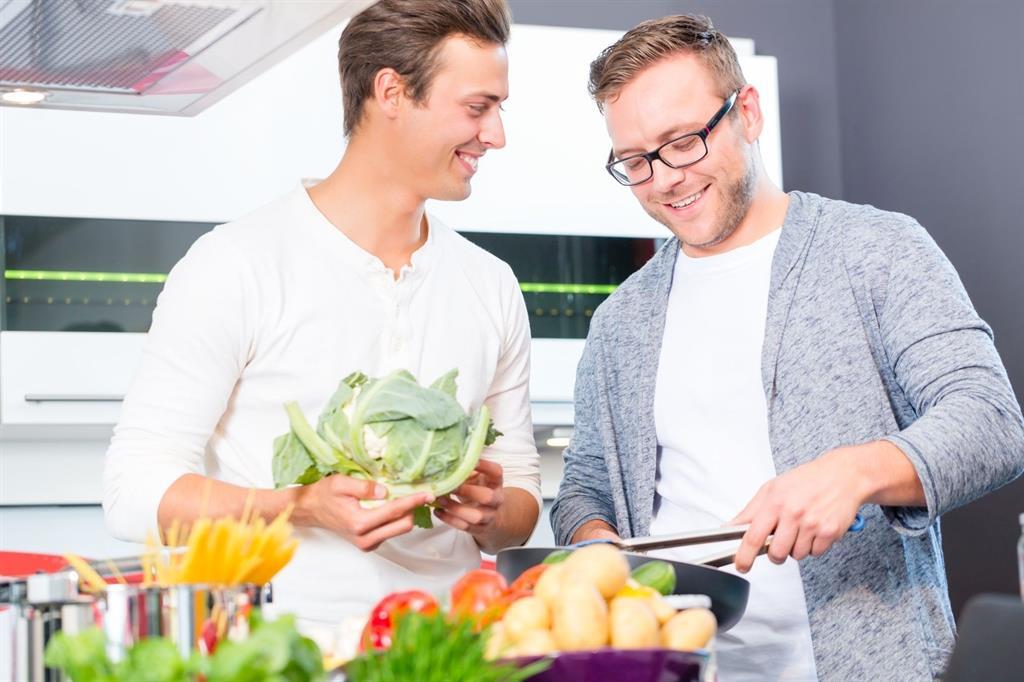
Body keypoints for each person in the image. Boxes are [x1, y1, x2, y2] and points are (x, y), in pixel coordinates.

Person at [550, 14, 1024, 681]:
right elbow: (584, 488)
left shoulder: (877, 250)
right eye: (634, 160)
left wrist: (855, 472)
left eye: (682, 142)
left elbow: (992, 421)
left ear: (747, 112)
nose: (663, 179)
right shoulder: (620, 320)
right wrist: (598, 550)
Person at [104, 0, 541, 626]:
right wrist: (299, 506)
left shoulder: (490, 283)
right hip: (284, 647)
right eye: (477, 107)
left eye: (498, 109)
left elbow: (521, 496)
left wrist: (493, 513)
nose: (496, 135)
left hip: (447, 648)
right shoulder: (236, 264)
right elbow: (132, 492)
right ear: (391, 92)